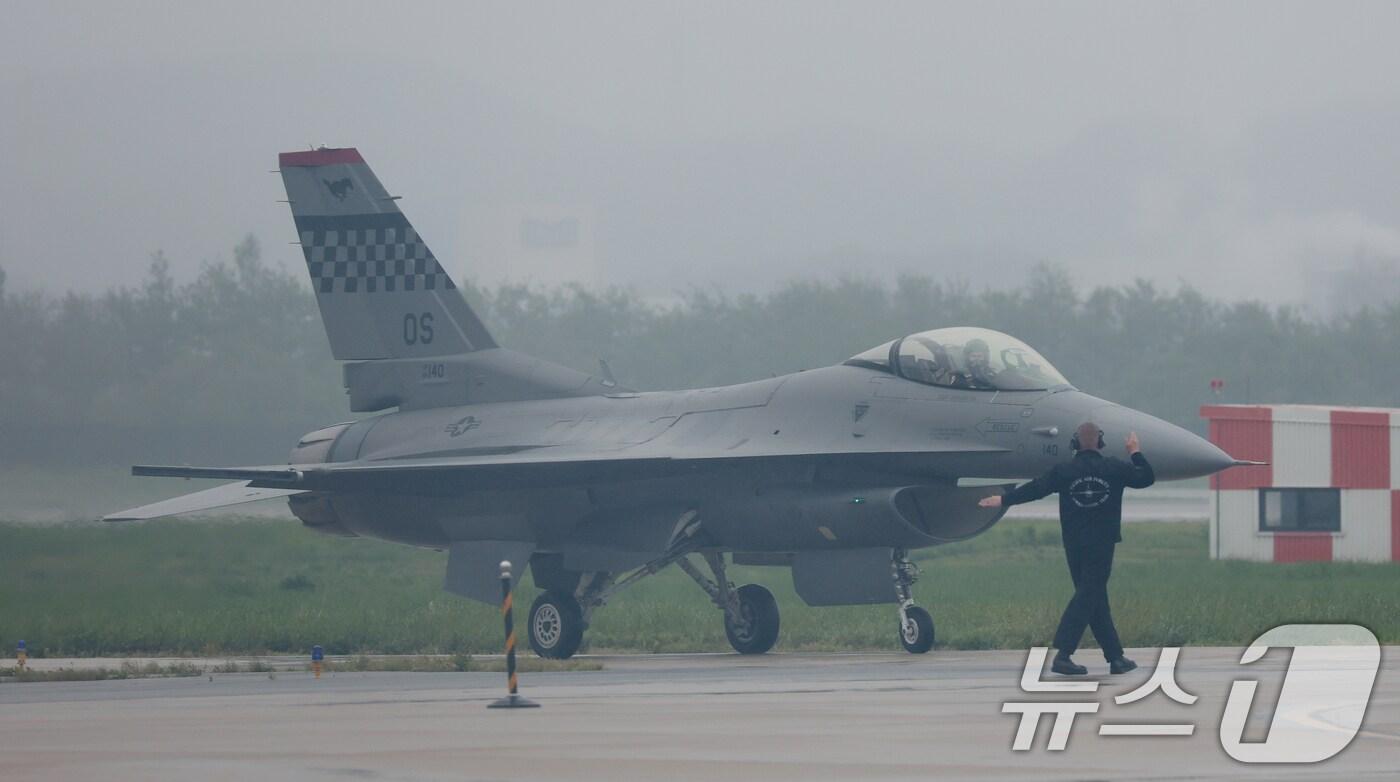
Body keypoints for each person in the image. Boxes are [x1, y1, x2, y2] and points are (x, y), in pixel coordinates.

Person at [978, 422, 1154, 675]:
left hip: (1074, 544)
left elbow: (1036, 488)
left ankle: (1115, 657)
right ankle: (1063, 654)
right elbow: (1146, 477)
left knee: (1094, 597)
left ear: (1074, 444)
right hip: (1102, 544)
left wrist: (1004, 499)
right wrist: (1135, 451)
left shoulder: (1065, 471)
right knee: (1088, 596)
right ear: (1100, 443)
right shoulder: (1114, 467)